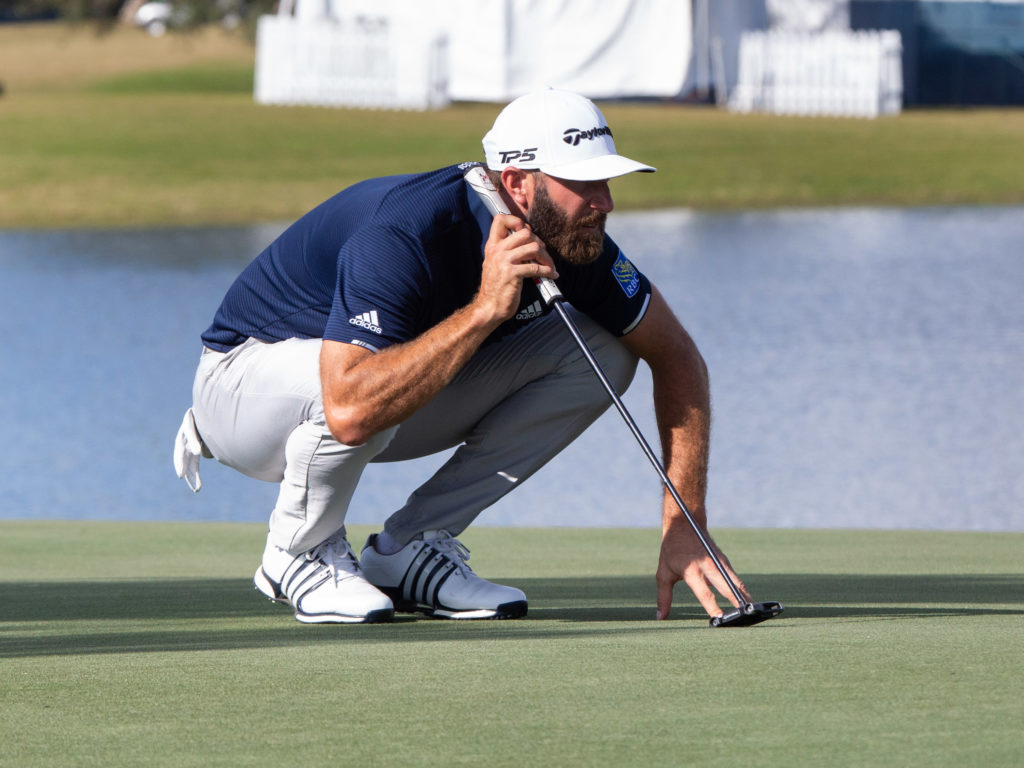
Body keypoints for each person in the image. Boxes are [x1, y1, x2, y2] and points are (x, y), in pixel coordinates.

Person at [173, 87, 752, 625]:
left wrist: (686, 523)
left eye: (606, 182)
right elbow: (348, 407)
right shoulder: (404, 233)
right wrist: (484, 310)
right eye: (584, 184)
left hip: (360, 399)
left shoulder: (575, 237)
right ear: (518, 182)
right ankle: (296, 551)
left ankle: (410, 549)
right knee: (361, 388)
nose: (605, 202)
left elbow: (677, 357)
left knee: (605, 348)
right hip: (240, 393)